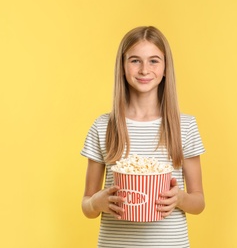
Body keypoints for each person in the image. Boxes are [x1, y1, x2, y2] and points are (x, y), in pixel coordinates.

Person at [81, 26, 206, 248]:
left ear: (166, 67)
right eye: (135, 60)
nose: (144, 69)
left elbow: (198, 202)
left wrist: (180, 198)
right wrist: (96, 204)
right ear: (122, 66)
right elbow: (87, 205)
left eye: (154, 61)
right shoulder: (104, 126)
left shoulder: (184, 126)